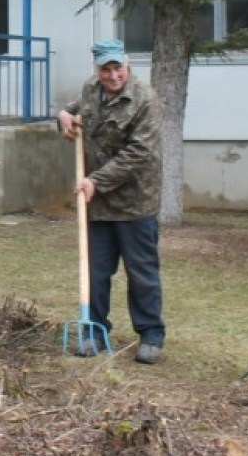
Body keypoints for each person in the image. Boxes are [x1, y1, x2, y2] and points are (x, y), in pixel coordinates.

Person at [55, 39, 165, 364]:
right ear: (97, 69)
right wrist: (62, 115)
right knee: (96, 272)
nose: (113, 75)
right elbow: (74, 110)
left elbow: (139, 154)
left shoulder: (147, 101)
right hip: (98, 204)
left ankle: (151, 336)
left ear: (127, 65)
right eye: (106, 68)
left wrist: (95, 181)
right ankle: (93, 330)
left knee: (141, 272)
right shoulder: (92, 89)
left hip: (135, 203)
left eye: (118, 67)